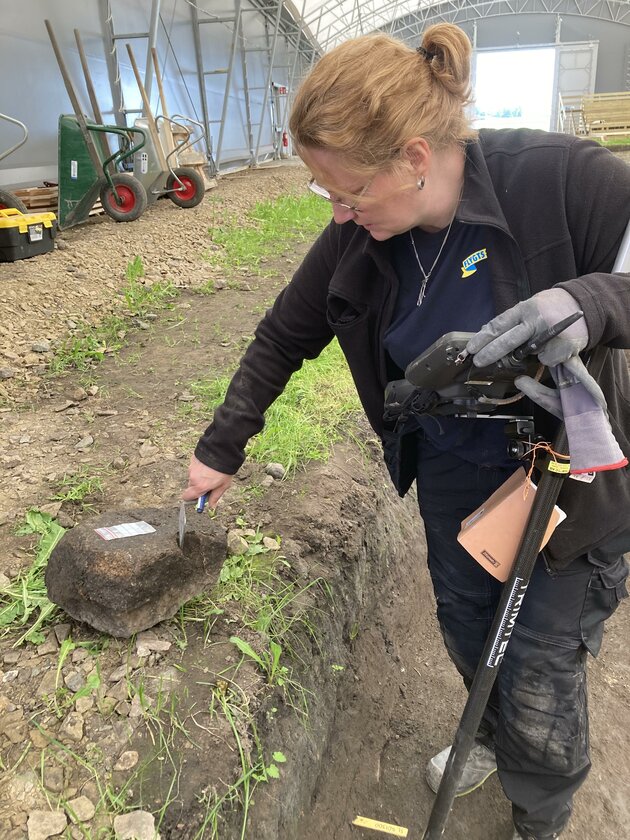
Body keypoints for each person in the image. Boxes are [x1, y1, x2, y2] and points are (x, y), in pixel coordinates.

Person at [182, 23, 630, 840]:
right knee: (466, 624)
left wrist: (592, 300)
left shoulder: (562, 180)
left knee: (537, 667)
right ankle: (491, 734)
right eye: (328, 195)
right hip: (452, 472)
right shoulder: (356, 240)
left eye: (348, 191)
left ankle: (542, 811)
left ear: (416, 159)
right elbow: (284, 334)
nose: (340, 212)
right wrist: (219, 450)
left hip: (565, 484)